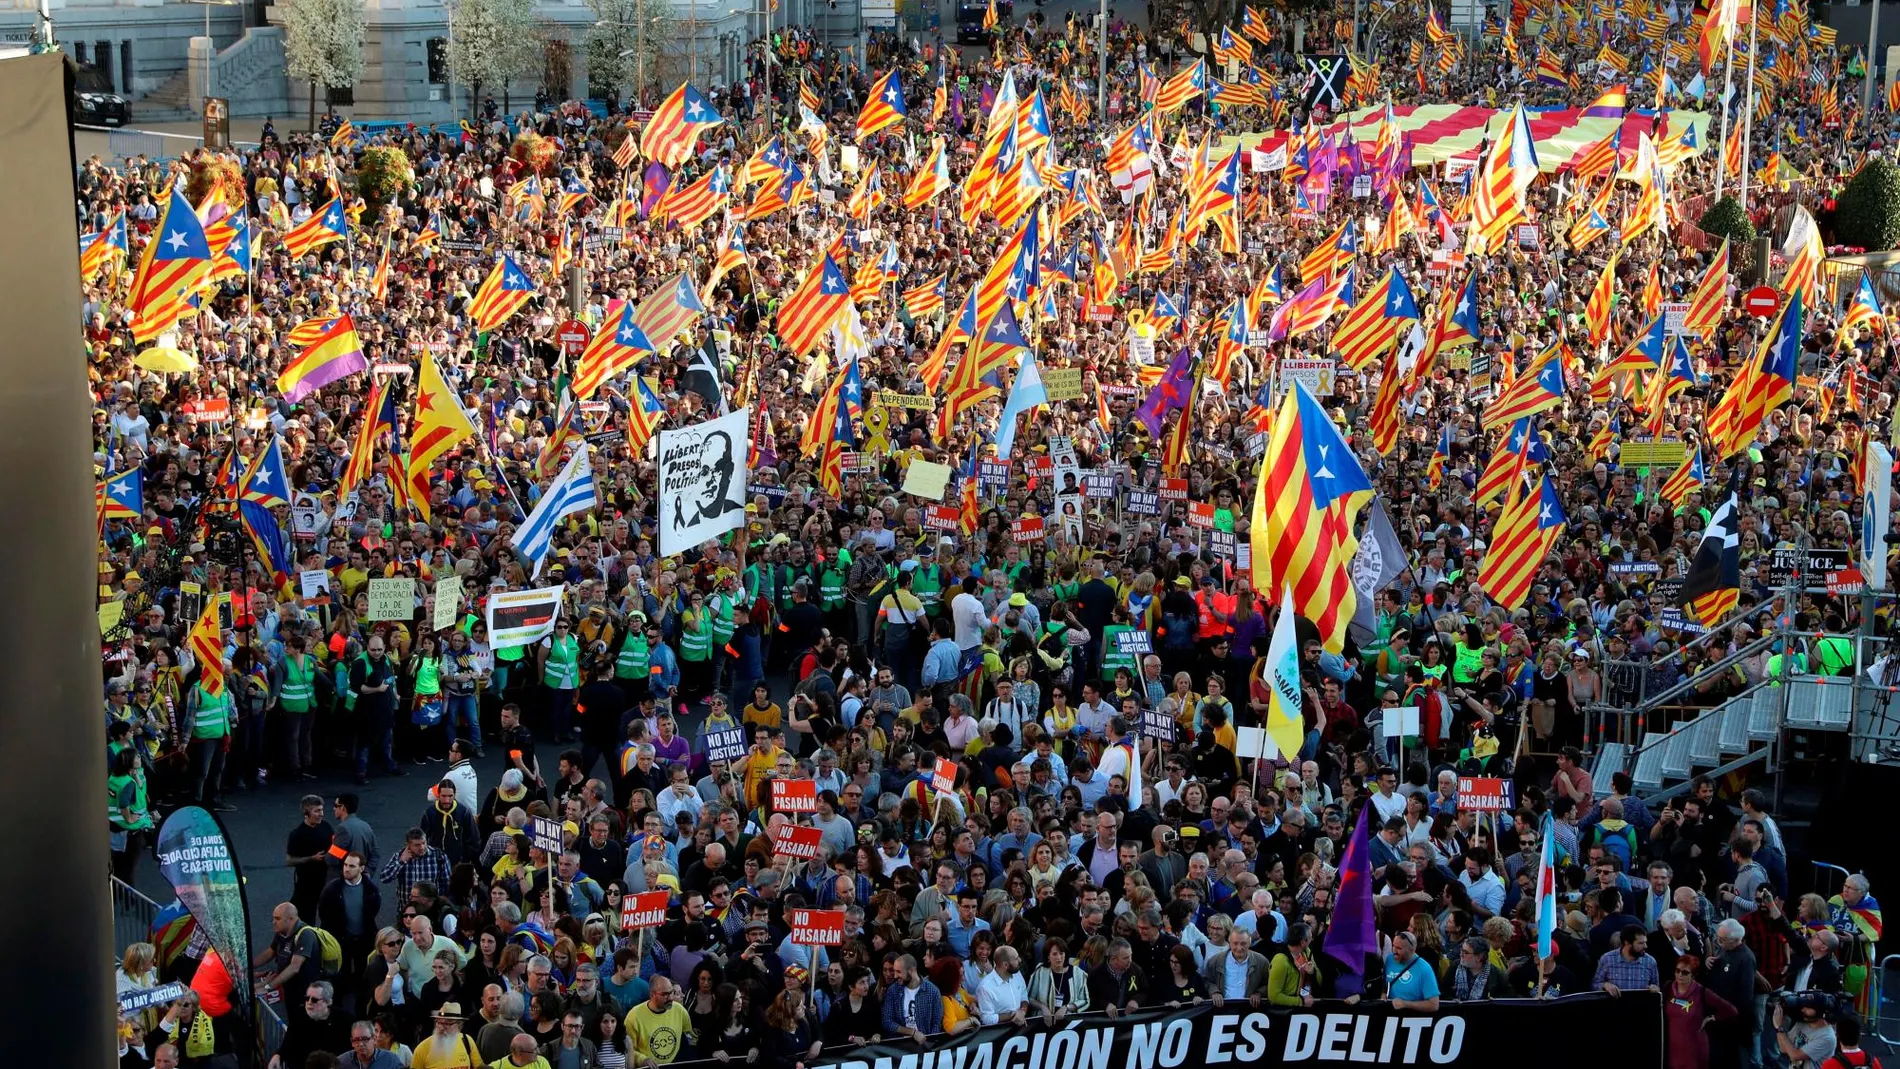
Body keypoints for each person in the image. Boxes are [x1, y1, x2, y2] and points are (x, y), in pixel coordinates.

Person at [1382, 931, 1440, 1012]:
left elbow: (1434, 1005)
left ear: (1412, 950)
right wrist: (1383, 993)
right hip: (1389, 1016)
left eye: (1399, 948)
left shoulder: (1424, 969)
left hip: (1411, 1019)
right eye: (1393, 946)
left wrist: (1405, 1004)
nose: (1394, 951)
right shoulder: (1390, 959)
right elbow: (1384, 983)